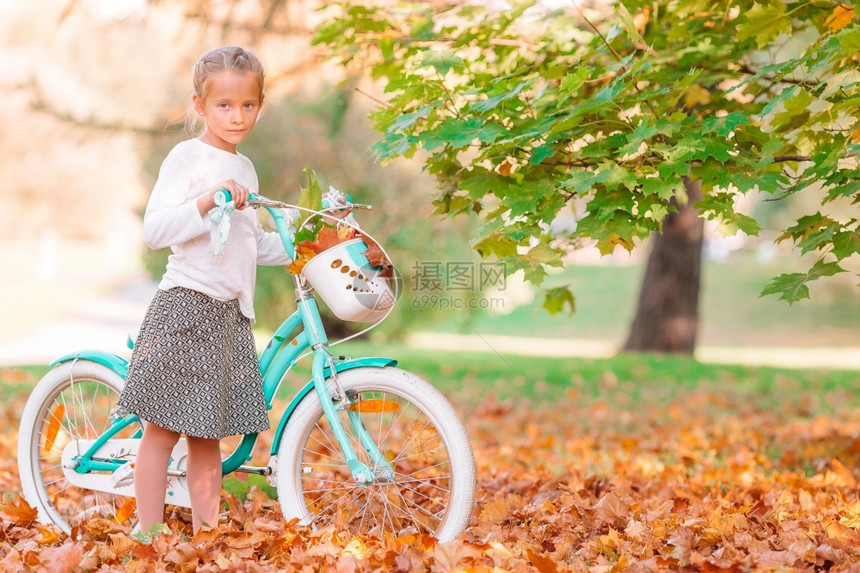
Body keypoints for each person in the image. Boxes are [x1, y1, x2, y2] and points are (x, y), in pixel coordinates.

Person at [117, 45, 292, 534]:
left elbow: (252, 245)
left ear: (260, 103)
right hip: (186, 308)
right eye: (224, 105)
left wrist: (312, 244)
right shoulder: (188, 157)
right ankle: (148, 533)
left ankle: (206, 534)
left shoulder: (247, 169)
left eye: (248, 105)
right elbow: (155, 231)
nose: (237, 116)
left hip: (228, 316)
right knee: (163, 429)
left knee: (207, 435)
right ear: (200, 105)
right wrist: (204, 202)